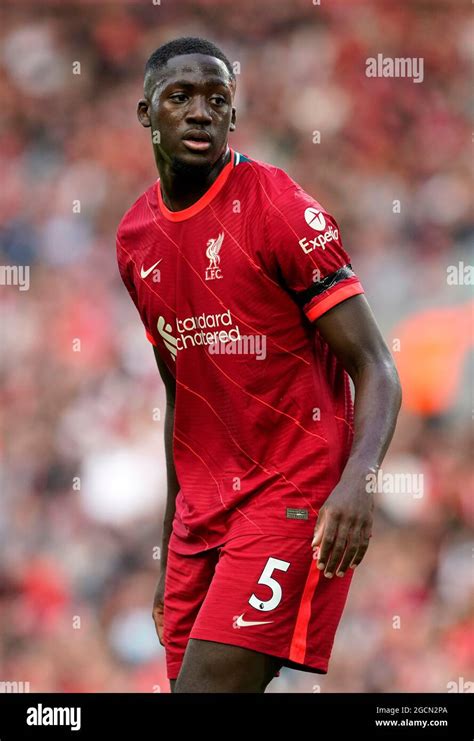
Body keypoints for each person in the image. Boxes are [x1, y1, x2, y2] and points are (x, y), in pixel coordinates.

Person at [116, 36, 402, 693]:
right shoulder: (135, 238)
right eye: (180, 97)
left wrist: (359, 480)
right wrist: (168, 549)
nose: (199, 113)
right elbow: (180, 399)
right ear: (145, 114)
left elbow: (376, 364)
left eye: (218, 100)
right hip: (200, 519)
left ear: (233, 117)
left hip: (292, 497)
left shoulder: (277, 206)